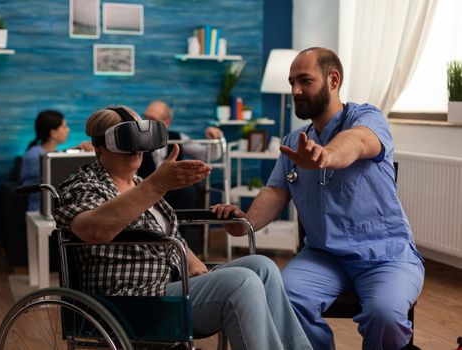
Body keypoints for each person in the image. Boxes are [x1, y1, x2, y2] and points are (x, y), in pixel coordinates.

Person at [211, 47, 424, 350]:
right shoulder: (295, 142)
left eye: (304, 81)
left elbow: (359, 142)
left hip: (385, 256)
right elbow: (275, 191)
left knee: (384, 315)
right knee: (283, 296)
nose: (295, 90)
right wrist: (245, 223)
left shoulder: (367, 118)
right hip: (324, 258)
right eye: (291, 82)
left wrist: (327, 155)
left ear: (333, 79)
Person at [52, 105, 312, 350]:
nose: (135, 149)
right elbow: (93, 230)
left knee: (262, 266)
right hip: (130, 300)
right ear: (100, 148)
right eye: (125, 140)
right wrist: (156, 185)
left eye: (139, 139)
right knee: (241, 282)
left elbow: (167, 237)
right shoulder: (83, 186)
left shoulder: (139, 183)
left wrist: (193, 262)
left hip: (170, 285)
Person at [139, 100, 225, 253]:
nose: (147, 124)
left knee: (188, 191)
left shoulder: (178, 137)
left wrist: (216, 137)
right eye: (145, 118)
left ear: (166, 122)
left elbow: (211, 154)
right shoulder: (137, 140)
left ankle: (183, 247)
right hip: (145, 189)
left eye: (153, 119)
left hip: (175, 191)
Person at [19, 110, 93, 211]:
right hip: (40, 210)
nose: (68, 130)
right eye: (64, 127)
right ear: (53, 133)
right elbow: (56, 169)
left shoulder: (41, 152)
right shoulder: (35, 156)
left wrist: (78, 148)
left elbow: (57, 156)